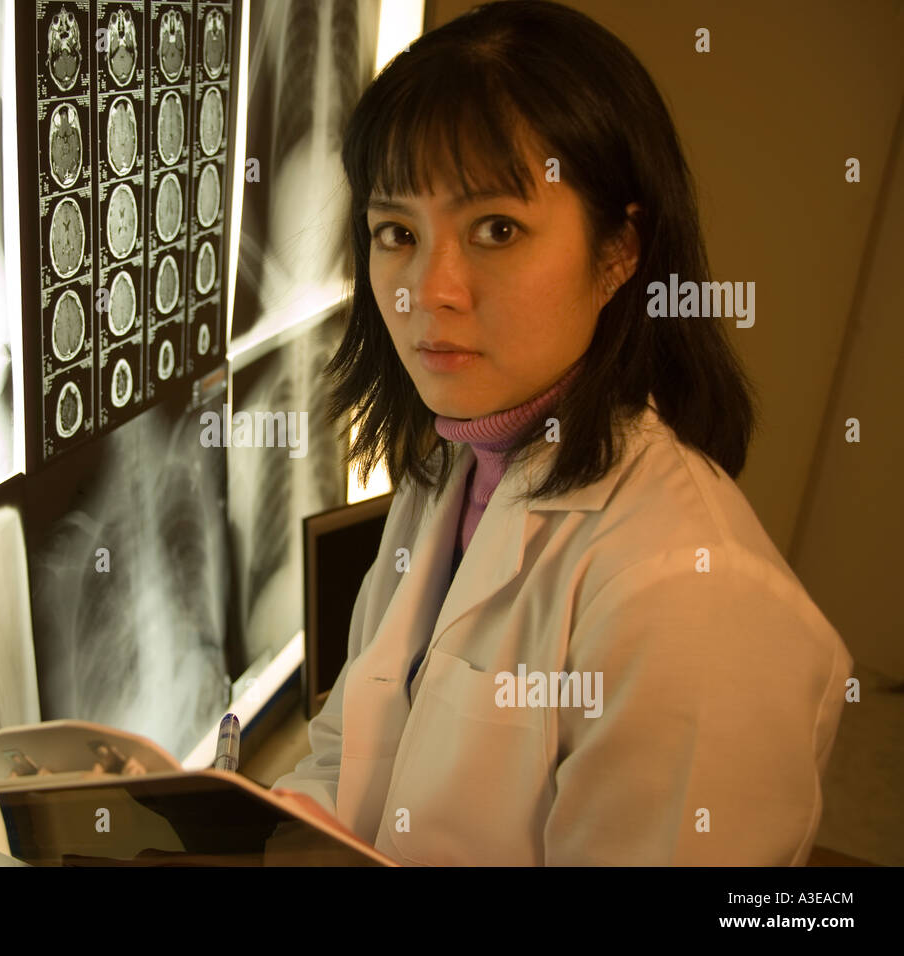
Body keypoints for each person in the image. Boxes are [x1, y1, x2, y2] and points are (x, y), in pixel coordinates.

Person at [269, 0, 853, 865]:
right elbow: (350, 751)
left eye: (496, 230)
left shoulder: (691, 595)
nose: (430, 290)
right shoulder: (451, 476)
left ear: (620, 250)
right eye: (397, 233)